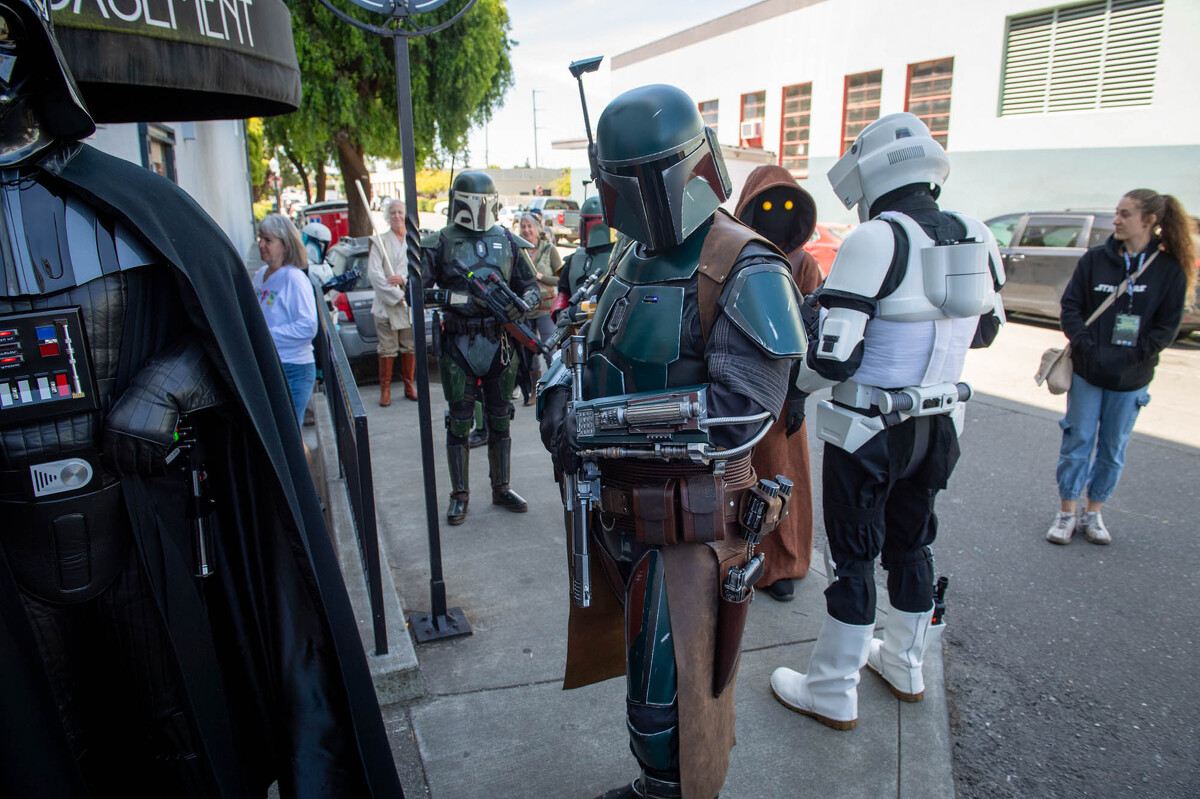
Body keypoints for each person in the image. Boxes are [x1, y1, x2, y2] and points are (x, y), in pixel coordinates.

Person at [0, 3, 404, 795]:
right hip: (13, 552)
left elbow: (226, 334)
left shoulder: (134, 206)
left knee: (178, 730)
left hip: (140, 525)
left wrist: (166, 387)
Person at [539, 83, 805, 799]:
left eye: (634, 182)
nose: (624, 201)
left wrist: (593, 425)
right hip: (622, 514)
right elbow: (574, 336)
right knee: (646, 688)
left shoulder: (745, 265)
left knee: (671, 708)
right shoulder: (624, 255)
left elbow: (743, 412)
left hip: (694, 529)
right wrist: (557, 392)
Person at [772, 112, 1005, 730]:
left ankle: (832, 688)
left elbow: (833, 354)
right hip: (940, 424)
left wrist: (790, 389)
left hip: (869, 428)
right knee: (913, 543)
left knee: (854, 558)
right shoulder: (975, 231)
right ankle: (905, 663)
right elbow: (985, 329)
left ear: (872, 171)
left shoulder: (875, 239)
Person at [1045, 190, 1194, 545]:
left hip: (1131, 376)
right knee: (1078, 440)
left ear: (1150, 220)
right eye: (1117, 213)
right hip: (1088, 370)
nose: (1116, 220)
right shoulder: (1096, 259)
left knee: (1113, 448)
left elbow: (1167, 326)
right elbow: (1071, 307)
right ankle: (1066, 512)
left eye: (1125, 214)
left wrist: (1136, 354)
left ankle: (1093, 513)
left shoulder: (1168, 269)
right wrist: (1088, 345)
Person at [423, 170, 541, 524]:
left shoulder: (507, 239)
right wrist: (453, 297)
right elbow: (417, 291)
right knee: (459, 421)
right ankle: (460, 495)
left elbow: (530, 286)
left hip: (499, 341)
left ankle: (501, 487)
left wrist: (522, 303)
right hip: (458, 340)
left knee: (500, 418)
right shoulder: (440, 241)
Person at [733, 164, 824, 601]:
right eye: (766, 205)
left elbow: (817, 332)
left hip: (787, 390)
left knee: (784, 476)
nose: (776, 214)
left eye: (786, 206)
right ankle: (739, 556)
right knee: (739, 473)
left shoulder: (804, 265)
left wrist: (801, 390)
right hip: (740, 384)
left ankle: (784, 562)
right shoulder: (732, 256)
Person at [253, 213, 319, 426]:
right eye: (260, 238)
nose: (261, 244)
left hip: (293, 369)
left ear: (285, 244)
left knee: (290, 438)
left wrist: (266, 336)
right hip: (269, 365)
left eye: (268, 240)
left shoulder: (295, 279)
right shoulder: (260, 274)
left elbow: (308, 327)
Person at [369, 198, 417, 406]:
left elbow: (419, 272)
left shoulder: (414, 242)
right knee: (387, 348)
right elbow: (375, 275)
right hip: (387, 305)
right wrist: (397, 295)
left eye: (400, 212)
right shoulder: (380, 242)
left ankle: (409, 385)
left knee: (409, 346)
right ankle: (385, 389)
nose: (397, 216)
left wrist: (405, 283)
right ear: (388, 216)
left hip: (408, 306)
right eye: (393, 212)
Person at [518, 212, 561, 405]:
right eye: (523, 226)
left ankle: (554, 391)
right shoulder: (518, 251)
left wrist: (540, 276)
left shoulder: (549, 249)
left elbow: (561, 278)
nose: (526, 230)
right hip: (525, 311)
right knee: (529, 355)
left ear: (537, 229)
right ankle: (535, 392)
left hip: (545, 309)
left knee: (550, 351)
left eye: (530, 226)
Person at [553, 194, 616, 317]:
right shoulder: (574, 258)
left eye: (589, 220)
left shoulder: (619, 257)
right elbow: (564, 292)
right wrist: (559, 313)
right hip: (574, 322)